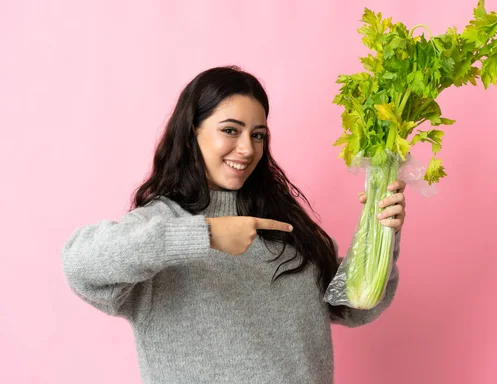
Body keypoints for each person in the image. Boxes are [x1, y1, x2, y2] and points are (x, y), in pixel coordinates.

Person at [61, 65, 407, 384]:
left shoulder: (288, 227)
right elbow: (80, 263)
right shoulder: (162, 224)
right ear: (190, 134)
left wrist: (381, 234)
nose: (246, 149)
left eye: (258, 135)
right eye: (230, 130)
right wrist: (205, 234)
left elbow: (355, 310)